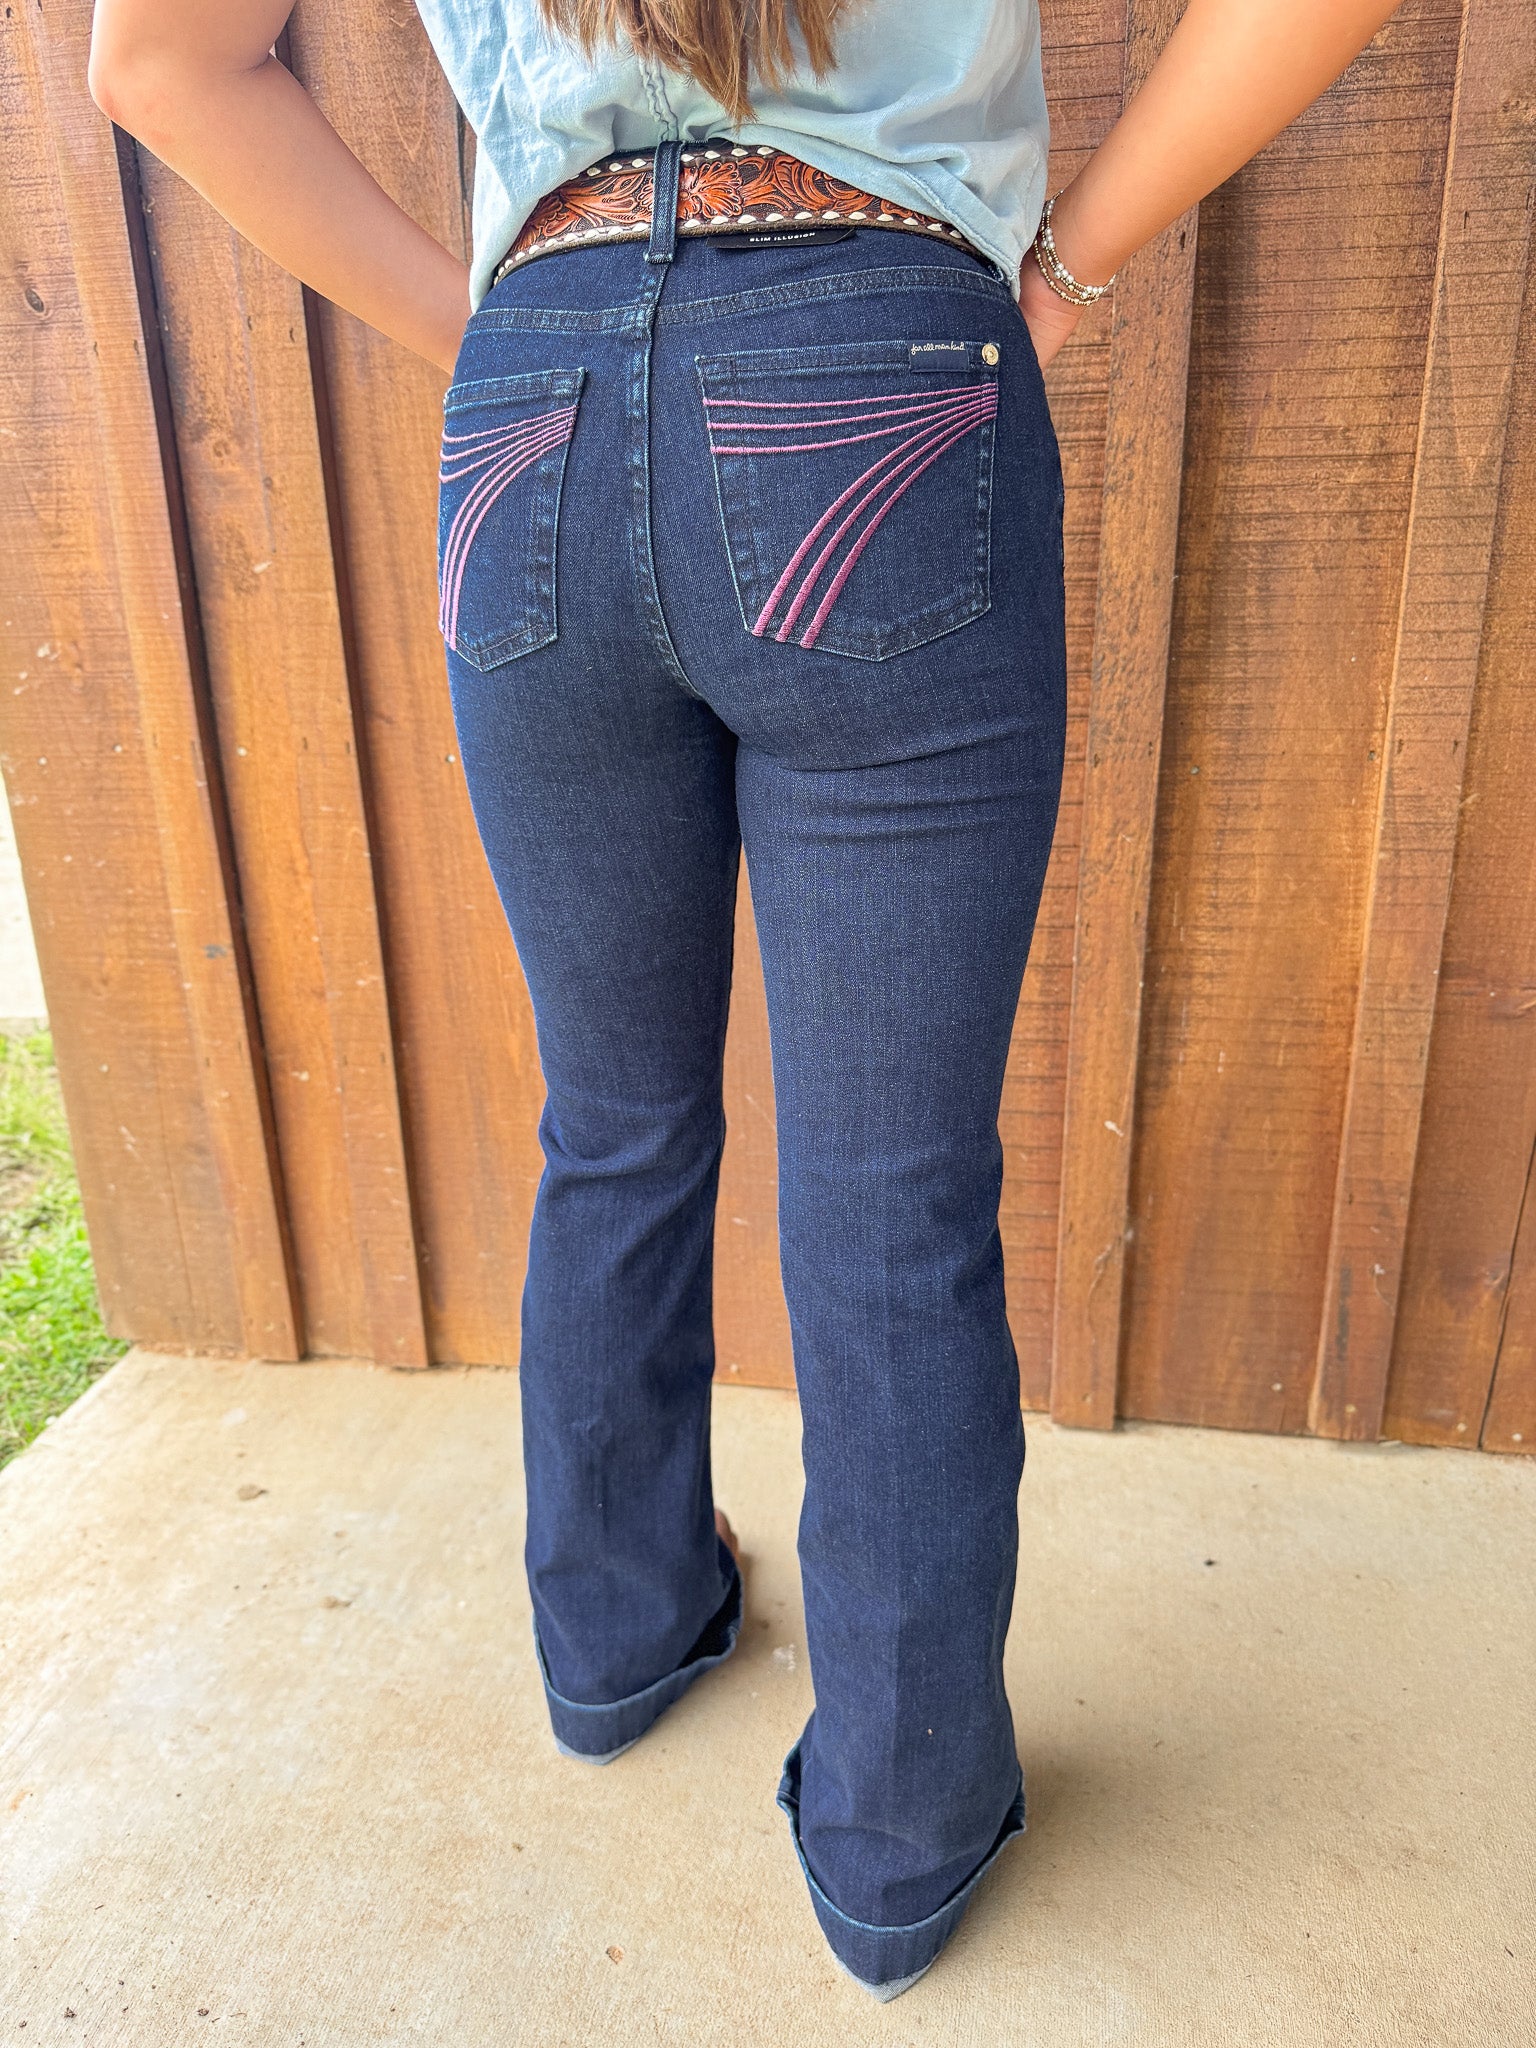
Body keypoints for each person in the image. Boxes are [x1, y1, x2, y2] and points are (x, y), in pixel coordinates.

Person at [90, 0, 1406, 2001]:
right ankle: (899, 1838)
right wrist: (1065, 266)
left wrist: (497, 333)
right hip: (878, 365)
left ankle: (615, 1643)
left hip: (528, 403)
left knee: (611, 1114)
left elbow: (158, 65)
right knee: (890, 1194)